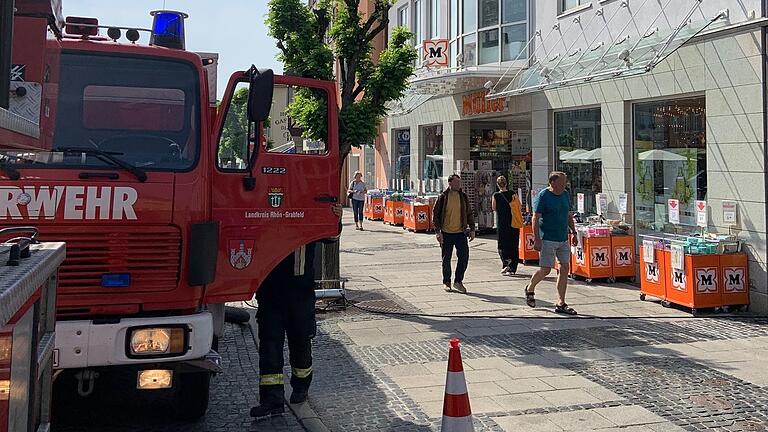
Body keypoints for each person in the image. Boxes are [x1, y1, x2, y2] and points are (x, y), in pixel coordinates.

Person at [250, 203, 343, 420]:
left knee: (300, 340)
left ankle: (301, 385)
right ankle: (272, 399)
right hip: (271, 292)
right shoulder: (265, 212)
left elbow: (330, 236)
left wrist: (335, 218)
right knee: (270, 346)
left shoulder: (306, 214)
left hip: (299, 293)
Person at [524, 172, 579, 315]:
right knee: (545, 270)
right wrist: (536, 238)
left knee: (564, 268)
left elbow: (568, 215)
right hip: (547, 238)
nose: (565, 184)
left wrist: (573, 232)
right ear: (553, 183)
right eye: (563, 181)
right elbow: (535, 217)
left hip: (563, 238)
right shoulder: (543, 196)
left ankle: (561, 302)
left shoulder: (565, 194)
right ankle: (530, 288)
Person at [432, 174, 475, 294]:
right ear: (450, 183)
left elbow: (469, 213)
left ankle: (458, 281)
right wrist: (437, 231)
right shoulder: (443, 197)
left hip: (461, 232)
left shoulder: (463, 196)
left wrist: (472, 229)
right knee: (446, 259)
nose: (458, 185)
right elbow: (435, 215)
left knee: (464, 257)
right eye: (456, 183)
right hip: (446, 233)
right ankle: (447, 282)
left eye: (459, 183)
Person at [491, 176, 522, 276]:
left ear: (497, 184)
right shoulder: (513, 194)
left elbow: (494, 208)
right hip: (514, 223)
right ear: (506, 183)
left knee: (502, 245)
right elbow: (519, 206)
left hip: (502, 223)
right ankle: (513, 267)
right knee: (514, 245)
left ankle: (506, 263)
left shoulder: (496, 195)